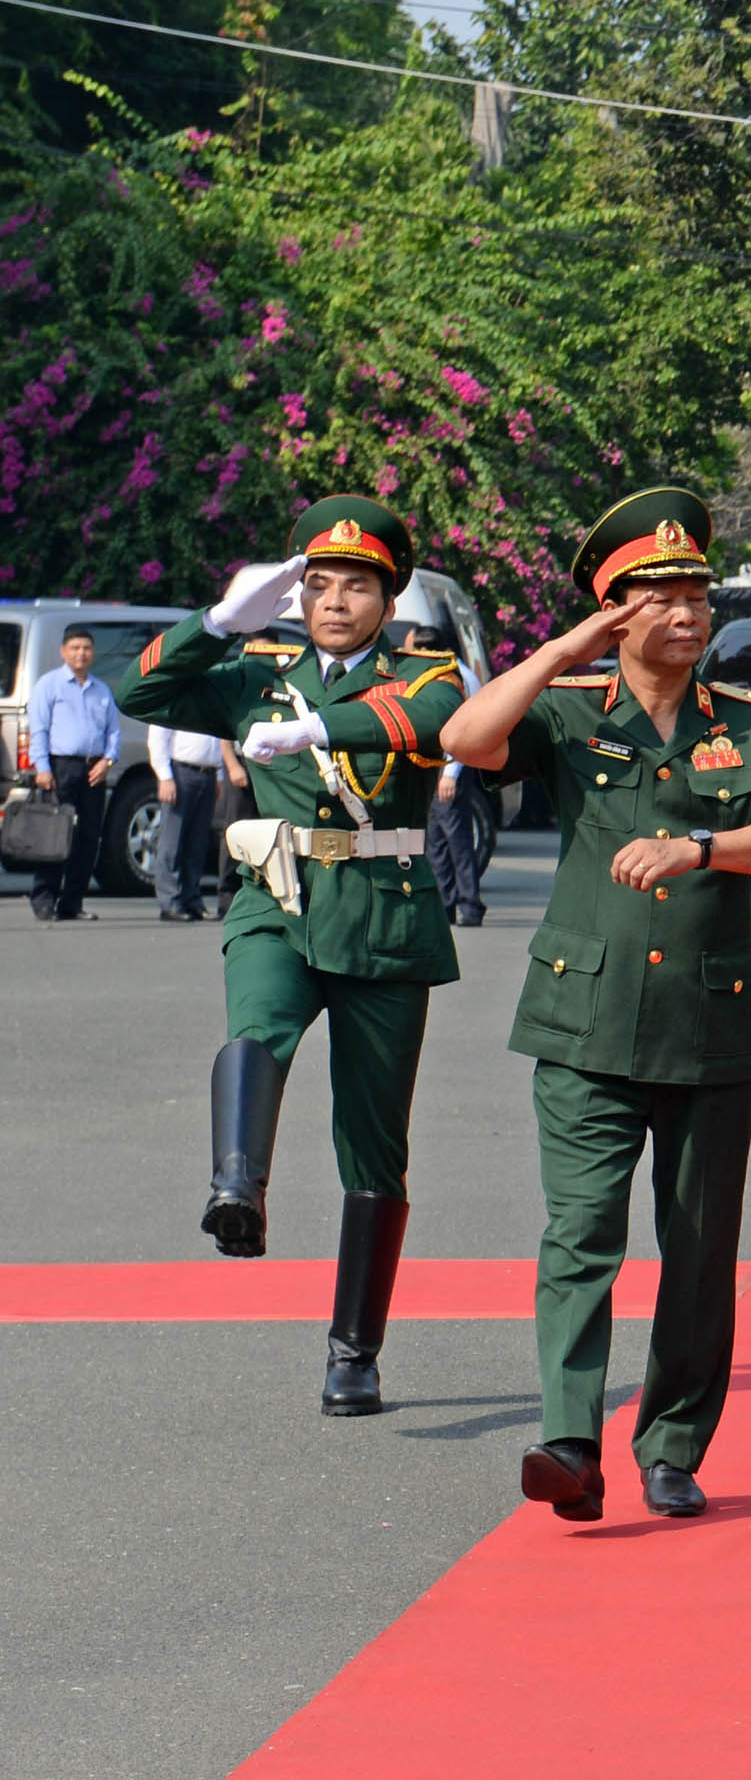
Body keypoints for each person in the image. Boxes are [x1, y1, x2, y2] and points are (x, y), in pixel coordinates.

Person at [440, 487, 751, 1523]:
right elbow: (468, 740)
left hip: (709, 1026)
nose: (688, 612)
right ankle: (569, 1438)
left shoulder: (748, 725)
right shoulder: (565, 713)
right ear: (617, 613)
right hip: (584, 1022)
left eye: (697, 592)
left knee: (698, 1250)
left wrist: (699, 847)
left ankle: (672, 1445)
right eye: (659, 596)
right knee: (581, 1231)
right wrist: (563, 650)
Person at [112, 499, 467, 1413]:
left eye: (357, 586)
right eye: (318, 584)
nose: (335, 600)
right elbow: (138, 695)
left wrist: (316, 729)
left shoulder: (425, 670)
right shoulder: (256, 669)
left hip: (383, 916)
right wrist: (220, 622)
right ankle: (238, 1187)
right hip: (276, 896)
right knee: (257, 1021)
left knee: (375, 1141)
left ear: (388, 600)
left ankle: (354, 1350)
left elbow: (430, 720)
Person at [24, 621, 120, 920]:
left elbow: (113, 733)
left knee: (88, 837)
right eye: (75, 648)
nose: (81, 654)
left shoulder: (101, 690)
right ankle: (43, 899)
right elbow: (37, 729)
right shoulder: (49, 685)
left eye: (87, 648)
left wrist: (108, 761)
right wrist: (42, 767)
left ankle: (72, 903)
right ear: (63, 652)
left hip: (94, 769)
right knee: (54, 835)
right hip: (60, 767)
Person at [405, 624, 493, 926]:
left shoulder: (457, 677)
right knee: (437, 842)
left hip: (451, 768)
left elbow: (467, 728)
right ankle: (445, 903)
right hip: (436, 767)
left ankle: (470, 904)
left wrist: (450, 773)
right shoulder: (445, 673)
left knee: (457, 839)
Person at [147, 716, 230, 921]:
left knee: (198, 843)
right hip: (182, 770)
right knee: (172, 840)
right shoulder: (178, 697)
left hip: (208, 772)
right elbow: (158, 738)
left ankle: (191, 898)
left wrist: (219, 776)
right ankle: (170, 900)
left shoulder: (211, 699)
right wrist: (165, 776)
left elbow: (217, 738)